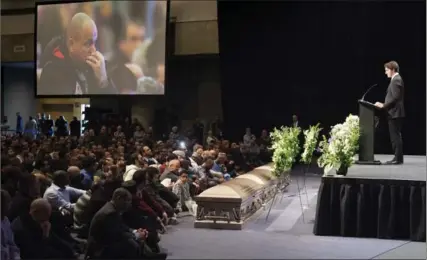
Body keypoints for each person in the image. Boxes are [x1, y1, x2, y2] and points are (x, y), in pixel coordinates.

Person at [38, 12, 117, 95]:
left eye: (95, 42)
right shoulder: (53, 70)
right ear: (71, 44)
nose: (93, 50)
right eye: (87, 44)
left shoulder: (95, 68)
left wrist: (103, 81)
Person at [375, 61, 405, 164]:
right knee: (395, 135)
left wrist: (384, 105)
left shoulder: (396, 80)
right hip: (394, 112)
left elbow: (395, 98)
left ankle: (398, 159)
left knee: (395, 136)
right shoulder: (396, 79)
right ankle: (398, 158)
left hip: (395, 113)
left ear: (393, 70)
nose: (385, 72)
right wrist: (384, 104)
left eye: (387, 70)